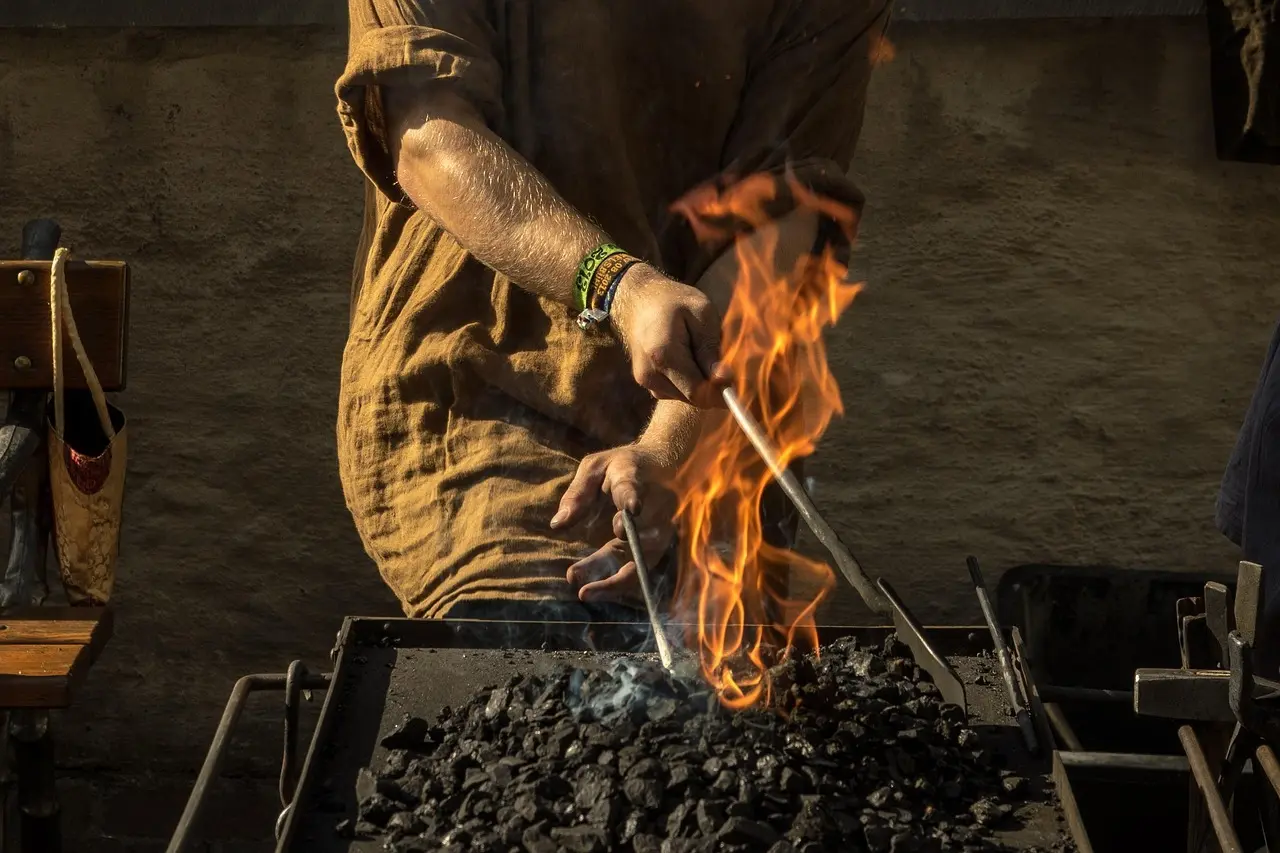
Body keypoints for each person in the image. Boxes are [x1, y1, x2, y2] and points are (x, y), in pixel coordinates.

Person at [334, 0, 892, 623]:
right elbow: (430, 136)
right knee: (525, 661)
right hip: (486, 395)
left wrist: (669, 450)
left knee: (730, 702)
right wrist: (620, 286)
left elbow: (782, 220)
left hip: (712, 424)